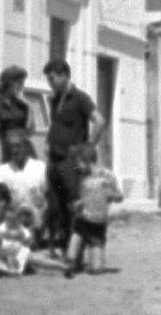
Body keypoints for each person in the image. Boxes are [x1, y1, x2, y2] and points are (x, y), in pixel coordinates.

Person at [43, 59, 104, 255]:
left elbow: (99, 121)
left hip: (71, 162)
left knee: (74, 205)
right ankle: (62, 248)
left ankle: (75, 254)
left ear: (64, 75)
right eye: (48, 79)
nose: (50, 83)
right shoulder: (55, 99)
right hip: (55, 160)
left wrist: (87, 148)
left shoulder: (80, 98)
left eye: (52, 78)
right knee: (56, 205)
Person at [64, 144, 123, 276]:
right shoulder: (83, 177)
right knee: (77, 233)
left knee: (96, 270)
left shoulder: (106, 176)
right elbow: (82, 198)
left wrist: (111, 195)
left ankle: (88, 258)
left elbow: (119, 196)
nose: (78, 166)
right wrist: (78, 204)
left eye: (79, 162)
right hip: (86, 218)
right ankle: (71, 261)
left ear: (87, 161)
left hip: (98, 220)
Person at [0, 129, 48, 240]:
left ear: (26, 146)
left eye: (18, 146)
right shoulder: (2, 171)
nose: (15, 150)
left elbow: (49, 198)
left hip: (38, 226)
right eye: (11, 147)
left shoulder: (41, 168)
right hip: (13, 228)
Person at [0, 65, 33, 162]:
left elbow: (29, 131)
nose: (21, 86)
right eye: (19, 82)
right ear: (8, 82)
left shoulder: (22, 105)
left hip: (23, 147)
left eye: (22, 83)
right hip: (4, 148)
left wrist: (29, 107)